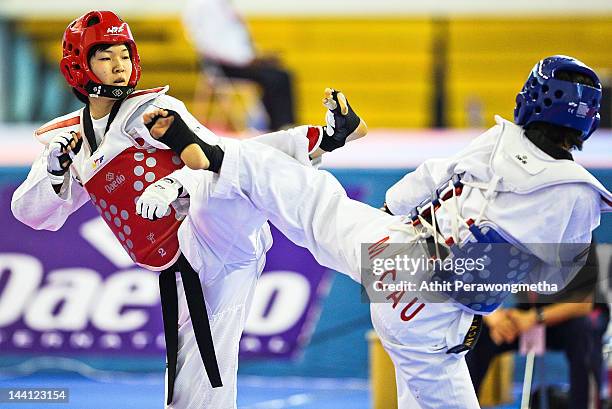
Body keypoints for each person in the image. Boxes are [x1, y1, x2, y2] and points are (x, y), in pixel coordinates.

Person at [137, 55, 611, 409]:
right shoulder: (579, 195)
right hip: (429, 306)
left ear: (532, 98)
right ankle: (219, 158)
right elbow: (560, 274)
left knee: (312, 200)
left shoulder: (504, 138)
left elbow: (430, 175)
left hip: (398, 252)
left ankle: (217, 155)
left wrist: (388, 213)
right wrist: (489, 307)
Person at [10, 10, 366, 409]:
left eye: (124, 55)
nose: (119, 65)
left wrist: (172, 183)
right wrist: (56, 171)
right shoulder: (68, 138)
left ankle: (326, 155)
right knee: (192, 386)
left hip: (210, 229)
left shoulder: (154, 110)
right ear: (79, 65)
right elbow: (33, 215)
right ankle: (321, 139)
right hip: (182, 260)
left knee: (228, 168)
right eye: (105, 56)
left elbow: (216, 158)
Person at [467, 241, 609, 409]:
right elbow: (474, 281)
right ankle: (461, 403)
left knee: (585, 330)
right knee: (477, 333)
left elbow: (583, 304)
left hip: (571, 317)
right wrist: (495, 317)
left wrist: (535, 318)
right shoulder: (506, 229)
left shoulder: (578, 231)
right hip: (525, 316)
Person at [183, 0, 295, 131]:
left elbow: (237, 40)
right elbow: (208, 44)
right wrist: (245, 60)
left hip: (241, 61)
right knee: (273, 78)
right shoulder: (201, 6)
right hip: (224, 65)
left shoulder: (225, 5)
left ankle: (283, 126)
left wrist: (258, 57)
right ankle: (278, 127)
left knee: (282, 74)